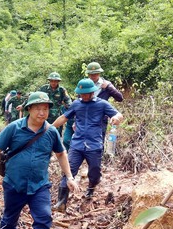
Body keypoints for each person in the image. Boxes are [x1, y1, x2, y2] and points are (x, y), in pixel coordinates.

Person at [0, 92, 79, 229]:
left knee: (44, 217)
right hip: (14, 183)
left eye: (45, 109)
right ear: (29, 109)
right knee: (9, 217)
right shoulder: (14, 128)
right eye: (38, 108)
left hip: (39, 185)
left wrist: (69, 177)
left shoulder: (51, 132)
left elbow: (61, 154)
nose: (42, 112)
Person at [52, 79, 123, 212]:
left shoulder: (102, 104)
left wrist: (117, 118)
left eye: (86, 93)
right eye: (81, 94)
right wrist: (49, 128)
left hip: (94, 145)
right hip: (77, 144)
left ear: (92, 92)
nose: (83, 96)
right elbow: (64, 118)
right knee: (69, 171)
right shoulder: (76, 104)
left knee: (94, 172)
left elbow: (118, 114)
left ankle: (90, 189)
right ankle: (61, 203)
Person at [85, 62, 123, 139]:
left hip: (100, 118)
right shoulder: (84, 84)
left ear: (99, 73)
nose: (93, 76)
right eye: (91, 74)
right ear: (88, 74)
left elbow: (120, 98)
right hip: (85, 116)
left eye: (96, 73)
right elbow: (79, 100)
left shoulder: (106, 84)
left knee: (99, 141)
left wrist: (109, 88)